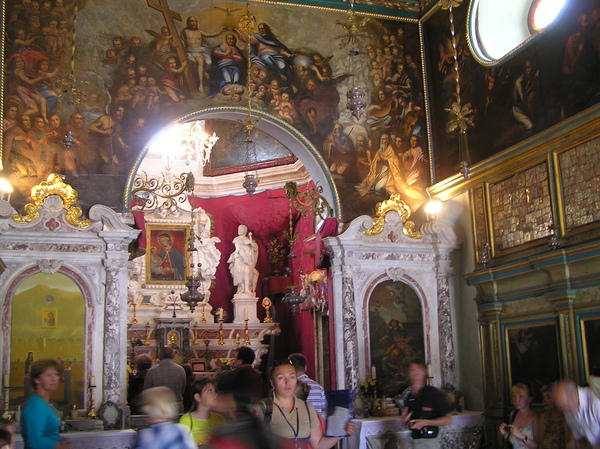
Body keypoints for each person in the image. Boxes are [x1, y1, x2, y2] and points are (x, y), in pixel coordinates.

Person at [261, 359, 354, 449]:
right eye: (281, 378)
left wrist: (341, 432)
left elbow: (318, 444)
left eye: (292, 377)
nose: (287, 382)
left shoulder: (307, 408)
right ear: (272, 383)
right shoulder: (263, 408)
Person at [399, 359, 452, 449]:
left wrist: (426, 422)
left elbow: (448, 419)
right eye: (412, 371)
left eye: (419, 371)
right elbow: (411, 422)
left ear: (424, 372)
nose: (416, 375)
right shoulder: (409, 396)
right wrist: (405, 419)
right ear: (408, 373)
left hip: (429, 442)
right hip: (414, 441)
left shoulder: (433, 393)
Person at [21, 359, 71, 449]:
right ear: (37, 379)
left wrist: (60, 440)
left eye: (56, 375)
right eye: (48, 375)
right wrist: (57, 446)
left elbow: (48, 433)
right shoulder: (36, 404)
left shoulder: (43, 402)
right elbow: (34, 441)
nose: (54, 378)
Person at [181, 16, 224, 93]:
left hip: (199, 51)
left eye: (195, 21)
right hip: (190, 51)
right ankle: (199, 84)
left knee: (204, 61)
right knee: (198, 61)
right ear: (188, 22)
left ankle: (203, 82)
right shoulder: (185, 31)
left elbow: (211, 34)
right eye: (191, 21)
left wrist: (221, 31)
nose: (193, 23)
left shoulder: (199, 32)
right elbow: (181, 41)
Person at [554, 379, 600, 449]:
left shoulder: (596, 402)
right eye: (561, 407)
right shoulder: (568, 410)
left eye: (565, 406)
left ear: (575, 395)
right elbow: (579, 440)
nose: (564, 411)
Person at [179, 379, 226, 446]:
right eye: (210, 391)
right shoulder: (186, 421)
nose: (215, 394)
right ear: (198, 397)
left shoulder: (220, 419)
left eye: (215, 391)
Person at [143, 346, 187, 413]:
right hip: (176, 406)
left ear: (159, 356)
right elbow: (183, 389)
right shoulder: (181, 370)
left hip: (158, 407)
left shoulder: (152, 371)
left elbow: (146, 391)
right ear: (173, 356)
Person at [499, 383, 539, 449]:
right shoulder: (513, 414)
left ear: (529, 399)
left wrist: (521, 436)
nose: (516, 400)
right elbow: (513, 442)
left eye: (521, 396)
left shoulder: (535, 418)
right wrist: (506, 435)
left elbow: (537, 446)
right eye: (514, 396)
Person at [288, 353, 327, 418]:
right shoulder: (319, 388)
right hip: (317, 422)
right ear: (305, 367)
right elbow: (324, 410)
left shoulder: (289, 387)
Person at [227, 225, 259, 296]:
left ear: (245, 231)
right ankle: (241, 289)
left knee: (247, 272)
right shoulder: (237, 239)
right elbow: (239, 249)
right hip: (240, 259)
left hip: (248, 261)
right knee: (240, 274)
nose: (239, 230)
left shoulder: (248, 240)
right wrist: (245, 259)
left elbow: (255, 248)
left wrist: (250, 242)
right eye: (239, 229)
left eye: (241, 229)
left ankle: (247, 289)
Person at [539, 383, 570, 449]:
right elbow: (541, 443)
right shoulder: (544, 417)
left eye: (548, 397)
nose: (544, 400)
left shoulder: (566, 418)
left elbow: (568, 444)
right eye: (543, 397)